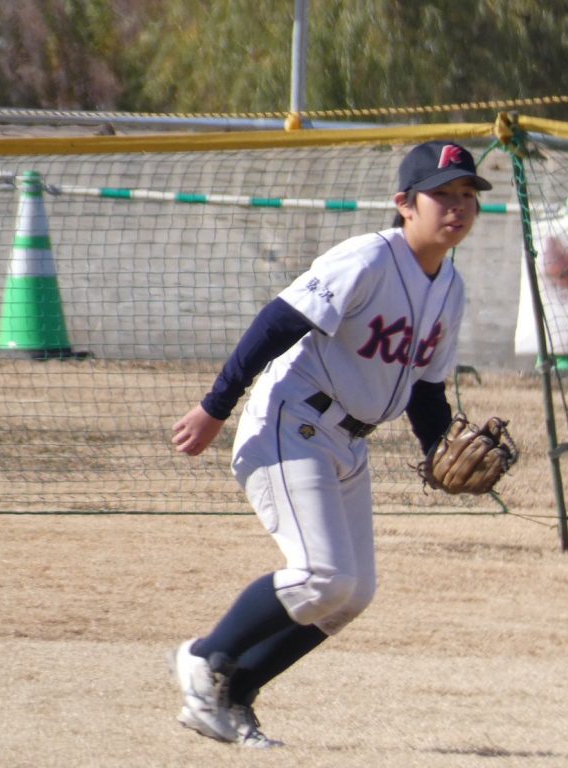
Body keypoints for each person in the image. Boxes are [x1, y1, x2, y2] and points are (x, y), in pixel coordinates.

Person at [168, 141, 491, 748]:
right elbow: (278, 322)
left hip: (348, 443)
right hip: (291, 420)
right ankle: (206, 657)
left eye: (467, 194)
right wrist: (215, 407)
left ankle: (231, 696)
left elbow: (426, 391)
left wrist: (437, 450)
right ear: (405, 204)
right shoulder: (368, 258)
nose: (457, 206)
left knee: (349, 595)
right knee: (321, 576)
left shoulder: (450, 287)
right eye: (441, 194)